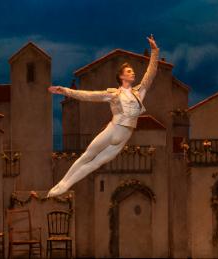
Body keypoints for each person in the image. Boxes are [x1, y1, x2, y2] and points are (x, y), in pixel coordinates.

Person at [47, 35, 159, 197]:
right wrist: (65, 91)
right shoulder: (113, 94)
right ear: (121, 76)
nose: (132, 73)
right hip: (113, 131)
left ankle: (65, 186)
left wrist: (154, 51)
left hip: (123, 138)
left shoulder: (139, 92)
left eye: (132, 71)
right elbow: (89, 96)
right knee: (87, 156)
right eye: (129, 71)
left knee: (94, 164)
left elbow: (151, 74)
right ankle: (62, 183)